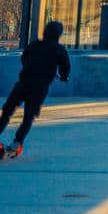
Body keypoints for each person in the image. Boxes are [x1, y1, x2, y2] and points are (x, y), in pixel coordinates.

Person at [1, 19, 71, 158]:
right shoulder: (59, 49)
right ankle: (17, 141)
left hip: (24, 82)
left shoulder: (34, 45)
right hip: (40, 87)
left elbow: (24, 58)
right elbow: (65, 66)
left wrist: (30, 67)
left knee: (8, 111)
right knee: (29, 116)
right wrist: (63, 77)